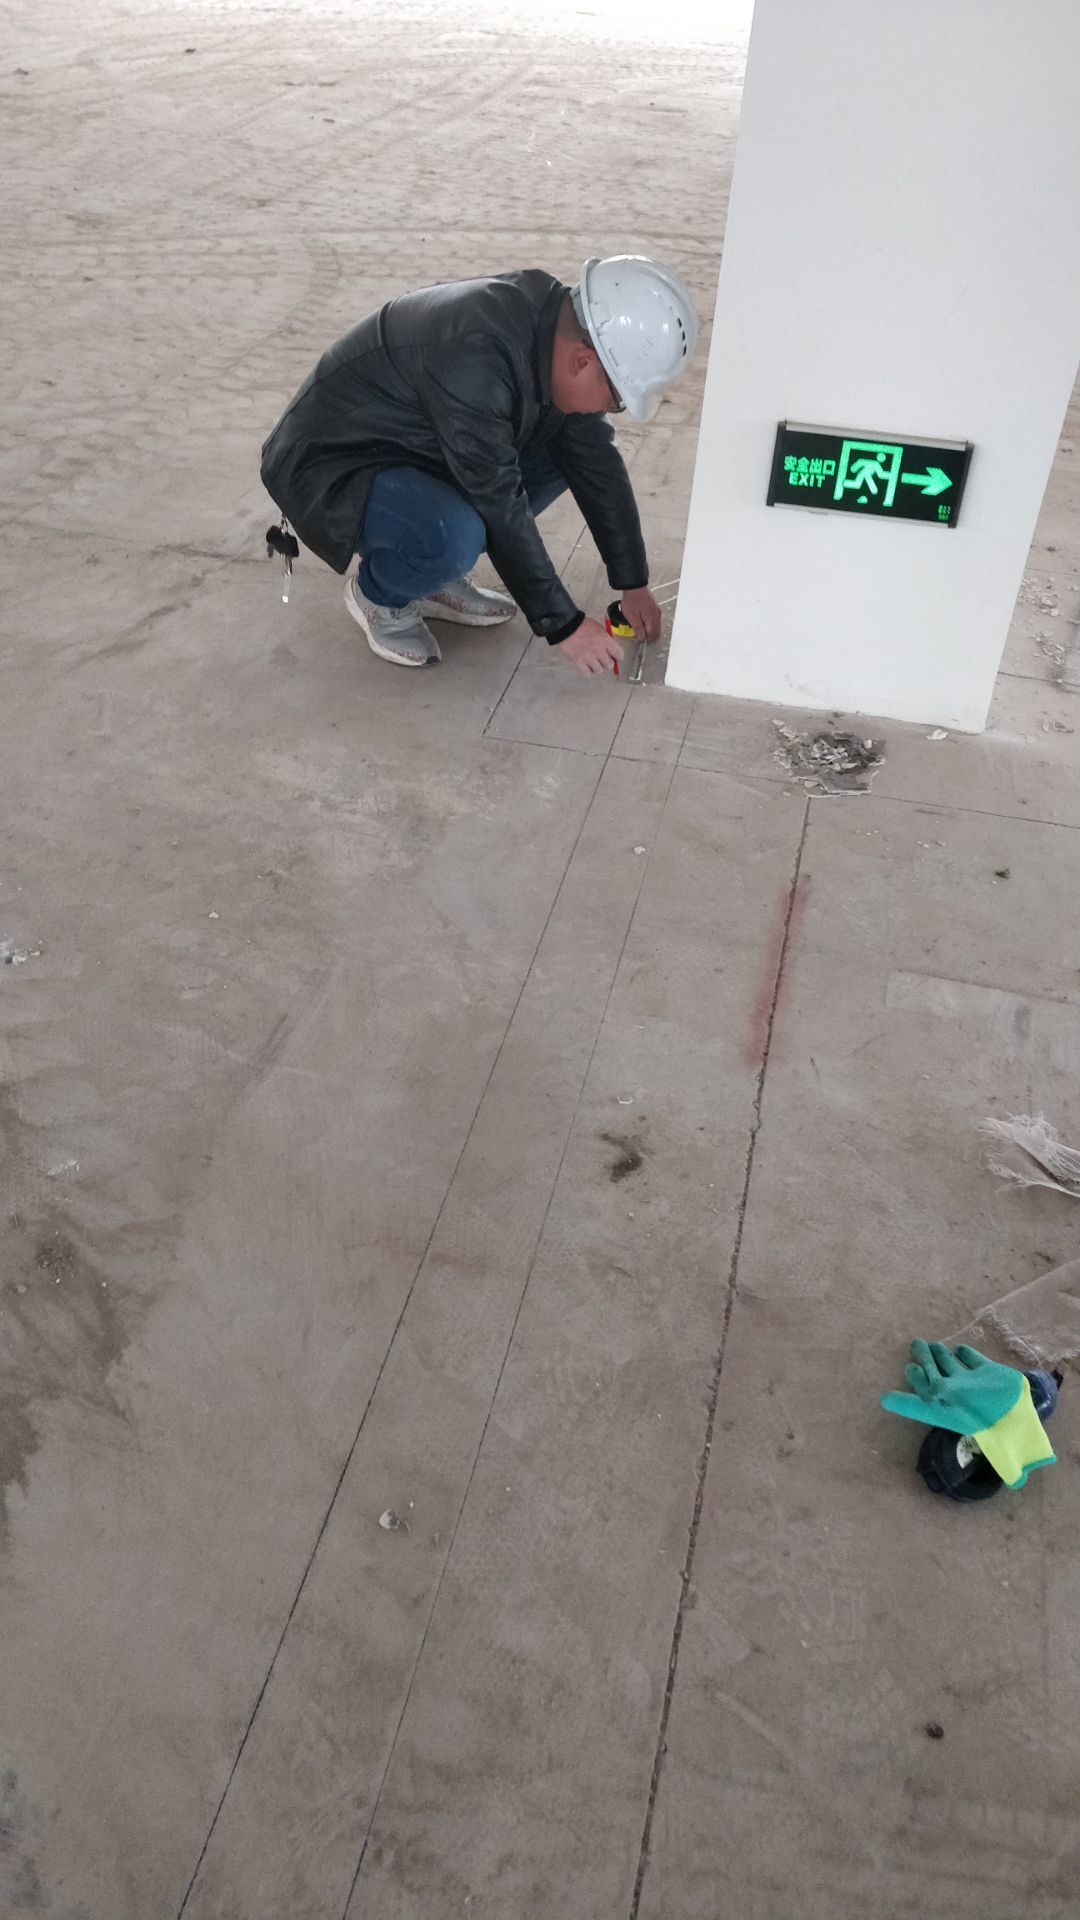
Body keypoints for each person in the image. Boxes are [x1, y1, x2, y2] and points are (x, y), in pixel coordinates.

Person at [260, 257, 698, 674]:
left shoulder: (551, 331)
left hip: (412, 445)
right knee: (455, 535)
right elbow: (497, 498)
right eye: (616, 398)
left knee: (563, 453)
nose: (609, 408)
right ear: (583, 361)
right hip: (331, 465)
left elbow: (596, 465)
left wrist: (633, 582)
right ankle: (379, 594)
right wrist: (563, 624)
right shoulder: (475, 357)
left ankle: (432, 576)